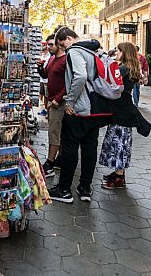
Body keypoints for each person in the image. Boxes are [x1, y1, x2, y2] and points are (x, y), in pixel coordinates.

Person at [50, 27, 110, 204]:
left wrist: (70, 102)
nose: (63, 48)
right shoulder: (93, 51)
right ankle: (85, 188)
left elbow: (81, 76)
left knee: (69, 148)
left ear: (68, 38)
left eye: (62, 44)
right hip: (95, 109)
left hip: (79, 110)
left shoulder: (75, 51)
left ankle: (64, 189)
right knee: (90, 149)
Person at [99, 42, 141, 189]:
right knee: (122, 142)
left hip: (121, 111)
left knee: (119, 143)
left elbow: (109, 84)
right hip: (125, 109)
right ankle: (119, 174)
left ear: (124, 52)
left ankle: (118, 176)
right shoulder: (130, 68)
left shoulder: (123, 69)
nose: (115, 52)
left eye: (118, 50)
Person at [37, 34, 66, 177]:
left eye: (51, 44)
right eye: (47, 45)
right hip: (51, 99)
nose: (48, 47)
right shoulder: (52, 59)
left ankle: (49, 163)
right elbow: (45, 75)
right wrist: (40, 67)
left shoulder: (65, 60)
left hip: (58, 102)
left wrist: (58, 99)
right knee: (55, 131)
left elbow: (70, 83)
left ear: (59, 44)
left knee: (54, 132)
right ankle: (58, 160)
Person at [38, 41, 50, 116]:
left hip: (46, 80)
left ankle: (46, 110)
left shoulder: (49, 57)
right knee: (41, 94)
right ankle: (44, 109)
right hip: (42, 79)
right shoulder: (44, 56)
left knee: (46, 96)